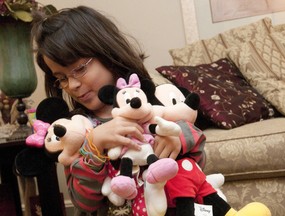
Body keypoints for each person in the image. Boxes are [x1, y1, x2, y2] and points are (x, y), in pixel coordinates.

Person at [31, 6, 206, 216]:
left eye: (79, 69)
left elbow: (199, 161)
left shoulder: (153, 102)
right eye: (61, 78)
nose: (72, 85)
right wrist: (94, 146)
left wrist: (177, 138)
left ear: (107, 52)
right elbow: (84, 203)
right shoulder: (77, 130)